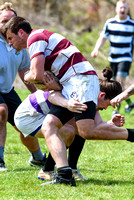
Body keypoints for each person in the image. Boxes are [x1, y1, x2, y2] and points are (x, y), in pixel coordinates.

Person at [4, 17, 134, 186]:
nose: (10, 44)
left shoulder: (35, 38)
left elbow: (36, 75)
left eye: (10, 38)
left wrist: (29, 77)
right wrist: (45, 82)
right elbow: (44, 82)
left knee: (85, 131)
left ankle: (131, 135)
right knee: (51, 125)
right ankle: (64, 174)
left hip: (79, 81)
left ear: (21, 32)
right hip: (74, 83)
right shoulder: (41, 39)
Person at [14, 68, 125, 183]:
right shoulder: (82, 95)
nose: (106, 108)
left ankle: (71, 169)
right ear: (102, 95)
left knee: (81, 127)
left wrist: (110, 123)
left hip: (40, 115)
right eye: (109, 104)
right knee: (69, 131)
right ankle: (46, 170)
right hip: (29, 117)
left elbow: (93, 127)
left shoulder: (88, 96)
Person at [0, 2, 46, 171]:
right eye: (4, 21)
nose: (7, 25)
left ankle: (38, 158)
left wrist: (38, 94)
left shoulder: (18, 43)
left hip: (7, 90)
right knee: (1, 111)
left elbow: (25, 71)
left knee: (23, 121)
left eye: (11, 21)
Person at [91, 0, 134, 115]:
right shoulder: (110, 23)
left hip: (125, 58)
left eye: (125, 8)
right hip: (113, 59)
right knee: (116, 85)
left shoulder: (132, 24)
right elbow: (103, 37)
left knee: (119, 82)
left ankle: (115, 112)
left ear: (127, 9)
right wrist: (96, 49)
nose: (122, 10)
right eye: (120, 7)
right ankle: (130, 103)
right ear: (116, 9)